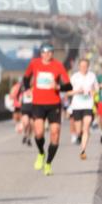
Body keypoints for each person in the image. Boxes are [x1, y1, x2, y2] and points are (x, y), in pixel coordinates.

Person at [22, 42, 72, 176]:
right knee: (38, 133)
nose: (47, 54)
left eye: (49, 52)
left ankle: (48, 163)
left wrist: (59, 87)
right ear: (41, 53)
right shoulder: (34, 63)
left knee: (55, 133)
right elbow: (26, 78)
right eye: (44, 52)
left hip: (54, 104)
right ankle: (41, 153)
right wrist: (27, 89)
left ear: (52, 53)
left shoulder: (58, 65)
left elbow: (69, 86)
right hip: (38, 104)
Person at [67, 58, 99, 160]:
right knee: (79, 130)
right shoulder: (74, 77)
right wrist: (77, 92)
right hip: (77, 106)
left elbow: (97, 89)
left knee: (86, 128)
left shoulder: (92, 76)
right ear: (79, 66)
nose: (83, 68)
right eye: (81, 66)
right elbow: (68, 92)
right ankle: (79, 135)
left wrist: (93, 92)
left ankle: (83, 151)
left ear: (88, 66)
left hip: (88, 105)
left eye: (85, 66)